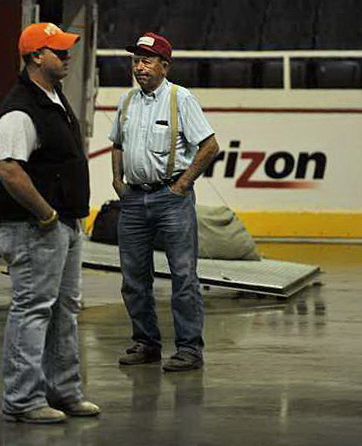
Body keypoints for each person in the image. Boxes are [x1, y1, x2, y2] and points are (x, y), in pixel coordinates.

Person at [0, 22, 100, 423]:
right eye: (58, 50)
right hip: (35, 227)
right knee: (34, 308)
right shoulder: (20, 109)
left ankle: (64, 392)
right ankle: (23, 400)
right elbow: (9, 170)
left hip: (63, 225)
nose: (67, 55)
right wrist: (46, 214)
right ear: (36, 56)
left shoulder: (52, 98)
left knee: (64, 309)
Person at [110, 32, 219, 372]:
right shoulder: (127, 101)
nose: (139, 67)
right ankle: (146, 343)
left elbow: (210, 146)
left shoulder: (180, 99)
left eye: (146, 60)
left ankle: (189, 349)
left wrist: (183, 185)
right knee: (133, 278)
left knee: (183, 276)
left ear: (164, 65)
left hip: (170, 199)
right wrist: (117, 181)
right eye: (136, 60)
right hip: (133, 200)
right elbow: (117, 143)